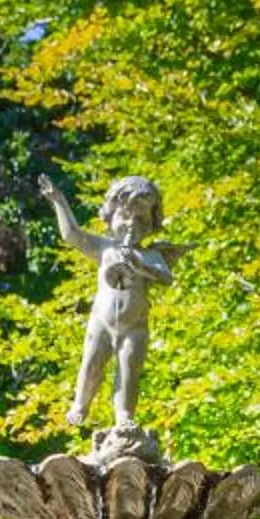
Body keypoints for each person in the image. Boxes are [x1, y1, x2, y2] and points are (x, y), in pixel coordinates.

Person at [41, 174, 174, 429]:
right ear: (110, 216)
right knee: (91, 363)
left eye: (141, 219)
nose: (132, 224)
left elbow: (166, 277)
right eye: (125, 216)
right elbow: (71, 235)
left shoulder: (150, 255)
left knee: (128, 372)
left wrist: (140, 265)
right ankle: (80, 403)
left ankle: (124, 415)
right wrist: (58, 201)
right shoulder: (105, 248)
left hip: (135, 327)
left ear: (151, 224)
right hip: (101, 322)